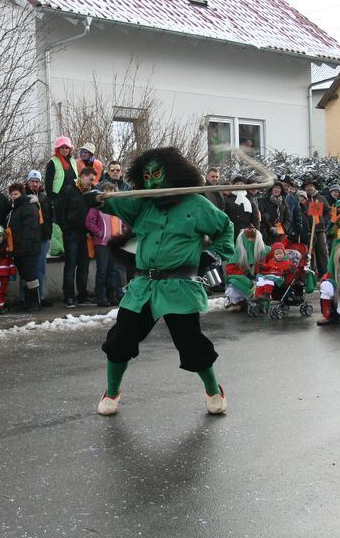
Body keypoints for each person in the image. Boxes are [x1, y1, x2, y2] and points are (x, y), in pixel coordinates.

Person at [90, 147, 234, 416]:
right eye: (147, 176)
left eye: (158, 174)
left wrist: (213, 254)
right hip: (143, 287)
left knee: (191, 344)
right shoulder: (142, 202)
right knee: (120, 340)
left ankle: (214, 390)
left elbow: (225, 229)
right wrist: (95, 197)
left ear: (173, 173)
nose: (152, 181)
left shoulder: (197, 204)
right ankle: (111, 391)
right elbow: (114, 201)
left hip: (179, 288)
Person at [57, 166, 97, 307]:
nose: (92, 182)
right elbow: (59, 212)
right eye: (90, 179)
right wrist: (66, 230)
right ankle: (68, 296)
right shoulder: (68, 190)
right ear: (83, 176)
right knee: (70, 266)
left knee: (84, 267)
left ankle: (82, 295)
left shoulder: (90, 193)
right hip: (71, 234)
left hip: (85, 235)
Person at [224, 226, 290, 310]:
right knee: (232, 288)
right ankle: (239, 302)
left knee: (265, 285)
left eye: (253, 238)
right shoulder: (237, 253)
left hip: (262, 279)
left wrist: (288, 241)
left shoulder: (266, 251)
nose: (250, 241)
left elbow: (280, 254)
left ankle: (259, 304)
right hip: (245, 281)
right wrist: (246, 280)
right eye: (248, 238)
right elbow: (230, 271)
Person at [85, 181, 127, 307]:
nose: (110, 194)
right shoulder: (97, 207)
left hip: (114, 244)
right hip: (102, 243)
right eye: (107, 191)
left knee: (112, 271)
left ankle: (112, 296)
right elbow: (89, 222)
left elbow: (124, 224)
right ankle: (100, 297)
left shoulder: (117, 207)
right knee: (102, 271)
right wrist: (100, 234)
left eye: (112, 191)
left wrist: (122, 235)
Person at [6, 183, 43, 311]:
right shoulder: (15, 209)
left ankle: (35, 302)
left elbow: (30, 229)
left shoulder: (28, 207)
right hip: (18, 249)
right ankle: (28, 301)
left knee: (31, 276)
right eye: (11, 194)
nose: (13, 197)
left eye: (15, 194)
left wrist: (26, 247)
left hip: (27, 249)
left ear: (22, 194)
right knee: (25, 276)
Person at [25, 171, 54, 306]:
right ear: (28, 182)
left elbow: (50, 217)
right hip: (28, 240)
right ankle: (26, 298)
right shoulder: (23, 197)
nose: (35, 184)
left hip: (43, 238)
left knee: (41, 269)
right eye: (32, 181)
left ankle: (40, 296)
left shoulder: (44, 198)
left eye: (37, 181)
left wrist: (48, 234)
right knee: (27, 269)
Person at [44, 136, 79, 202]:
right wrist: (51, 199)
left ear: (69, 149)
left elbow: (76, 177)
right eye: (62, 148)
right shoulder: (53, 161)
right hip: (58, 196)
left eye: (66, 148)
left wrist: (83, 190)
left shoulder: (73, 161)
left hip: (72, 196)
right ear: (58, 149)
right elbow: (48, 183)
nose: (65, 150)